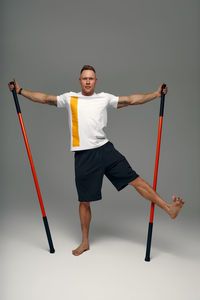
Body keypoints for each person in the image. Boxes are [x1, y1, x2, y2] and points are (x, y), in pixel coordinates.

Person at [8, 65, 184, 256]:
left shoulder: (104, 98)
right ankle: (85, 242)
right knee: (84, 201)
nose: (88, 81)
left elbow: (131, 100)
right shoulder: (70, 98)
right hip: (84, 155)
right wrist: (20, 91)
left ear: (96, 81)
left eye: (91, 78)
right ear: (79, 80)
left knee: (136, 180)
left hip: (105, 150)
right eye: (85, 78)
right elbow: (44, 99)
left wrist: (155, 94)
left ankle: (169, 208)